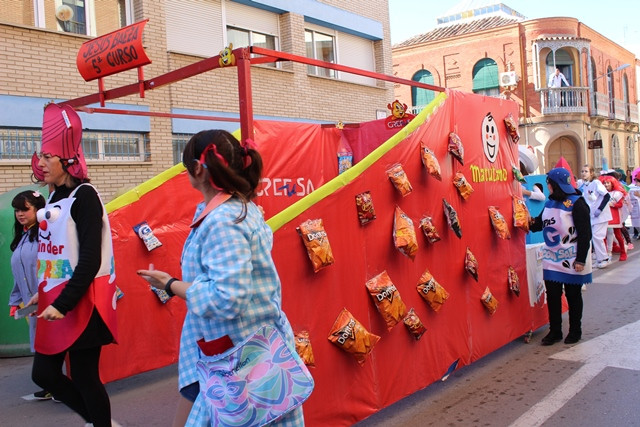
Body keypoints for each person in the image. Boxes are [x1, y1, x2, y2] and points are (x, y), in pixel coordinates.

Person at [136, 130, 304, 426]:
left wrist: (171, 285)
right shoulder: (235, 209)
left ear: (198, 169)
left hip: (240, 360)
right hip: (237, 354)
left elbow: (228, 298)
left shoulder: (223, 219)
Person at [25, 103, 118, 427]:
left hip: (83, 301)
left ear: (66, 159)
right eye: (41, 156)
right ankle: (96, 422)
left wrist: (63, 302)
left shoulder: (86, 197)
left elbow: (90, 259)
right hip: (57, 299)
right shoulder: (53, 199)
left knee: (84, 376)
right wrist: (44, 293)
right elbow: (58, 254)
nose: (42, 162)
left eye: (48, 157)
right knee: (44, 374)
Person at [530, 168, 591, 345]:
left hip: (572, 258)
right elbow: (539, 224)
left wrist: (581, 259)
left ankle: (575, 330)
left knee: (573, 295)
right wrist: (525, 220)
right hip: (551, 258)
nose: (547, 185)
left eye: (549, 183)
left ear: (555, 184)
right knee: (553, 295)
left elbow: (585, 233)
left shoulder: (577, 203)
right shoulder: (549, 203)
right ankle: (555, 331)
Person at [8, 190, 50, 400]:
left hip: (48, 298)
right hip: (31, 304)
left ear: (38, 209)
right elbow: (18, 274)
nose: (20, 214)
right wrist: (15, 301)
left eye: (25, 209)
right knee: (41, 342)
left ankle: (58, 384)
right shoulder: (23, 236)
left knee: (52, 342)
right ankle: (51, 383)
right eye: (17, 210)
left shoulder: (46, 233)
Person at [579, 165, 612, 268]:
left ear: (591, 173)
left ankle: (604, 258)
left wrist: (600, 209)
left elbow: (607, 196)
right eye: (582, 171)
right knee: (594, 237)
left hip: (601, 215)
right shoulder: (584, 186)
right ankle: (599, 259)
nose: (583, 173)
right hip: (592, 216)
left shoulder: (596, 183)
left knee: (597, 236)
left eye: (586, 171)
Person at [600, 175, 628, 261]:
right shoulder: (602, 193)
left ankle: (623, 252)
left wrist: (612, 204)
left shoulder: (617, 193)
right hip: (605, 217)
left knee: (618, 235)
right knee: (603, 235)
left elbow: (620, 204)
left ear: (612, 183)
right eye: (604, 183)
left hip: (615, 216)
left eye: (608, 183)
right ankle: (605, 254)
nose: (606, 185)